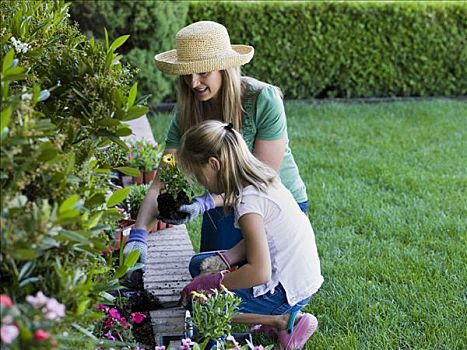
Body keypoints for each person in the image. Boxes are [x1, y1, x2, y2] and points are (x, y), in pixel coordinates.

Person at [123, 21, 308, 272]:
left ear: (224, 68)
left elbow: (261, 181)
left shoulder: (263, 100)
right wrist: (139, 235)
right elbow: (163, 177)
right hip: (225, 204)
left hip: (272, 205)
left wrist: (204, 203)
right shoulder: (188, 110)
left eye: (202, 73)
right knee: (203, 269)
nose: (194, 82)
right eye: (187, 74)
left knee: (258, 275)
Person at [176, 120, 323, 349]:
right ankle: (273, 316)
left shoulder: (249, 202)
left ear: (214, 164)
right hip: (299, 279)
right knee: (200, 264)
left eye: (198, 174)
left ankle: (282, 321)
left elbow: (260, 272)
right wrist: (221, 262)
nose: (199, 182)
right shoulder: (261, 178)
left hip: (285, 292)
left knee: (200, 304)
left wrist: (214, 283)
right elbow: (259, 240)